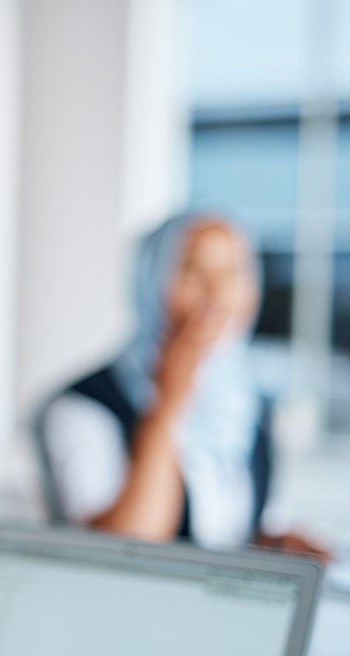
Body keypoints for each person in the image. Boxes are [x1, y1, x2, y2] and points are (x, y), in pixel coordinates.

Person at [38, 211, 327, 558]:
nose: (218, 291)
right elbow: (125, 550)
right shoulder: (81, 407)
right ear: (151, 283)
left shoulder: (250, 405)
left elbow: (213, 538)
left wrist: (265, 546)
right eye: (193, 270)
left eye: (234, 271)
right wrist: (169, 403)